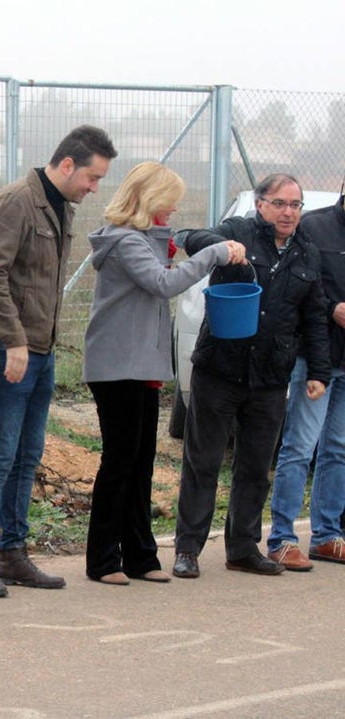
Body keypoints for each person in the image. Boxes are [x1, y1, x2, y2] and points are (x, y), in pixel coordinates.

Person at [0, 125, 116, 598]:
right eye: (92, 177)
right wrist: (13, 341)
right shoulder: (17, 201)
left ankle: (13, 555)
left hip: (40, 349)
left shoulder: (59, 205)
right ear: (67, 164)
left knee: (27, 455)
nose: (95, 189)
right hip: (4, 348)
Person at [82, 162, 245, 585]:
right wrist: (213, 254)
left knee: (141, 461)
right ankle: (102, 558)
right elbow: (162, 283)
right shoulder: (123, 242)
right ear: (149, 199)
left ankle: (139, 555)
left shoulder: (143, 240)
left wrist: (169, 237)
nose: (174, 209)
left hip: (141, 365)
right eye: (168, 201)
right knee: (119, 461)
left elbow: (162, 260)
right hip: (116, 366)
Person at [173, 174, 330, 579]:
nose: (289, 212)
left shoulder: (307, 253)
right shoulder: (239, 230)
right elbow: (188, 235)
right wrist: (219, 247)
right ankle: (187, 549)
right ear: (261, 204)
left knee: (256, 467)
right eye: (280, 203)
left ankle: (242, 549)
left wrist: (318, 371)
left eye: (296, 205)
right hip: (219, 370)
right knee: (203, 462)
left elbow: (314, 316)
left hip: (269, 378)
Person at [267, 190, 345, 569]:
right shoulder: (313, 226)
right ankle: (282, 536)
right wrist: (333, 309)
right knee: (299, 446)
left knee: (339, 450)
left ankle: (328, 535)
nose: (288, 212)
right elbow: (299, 290)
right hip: (316, 358)